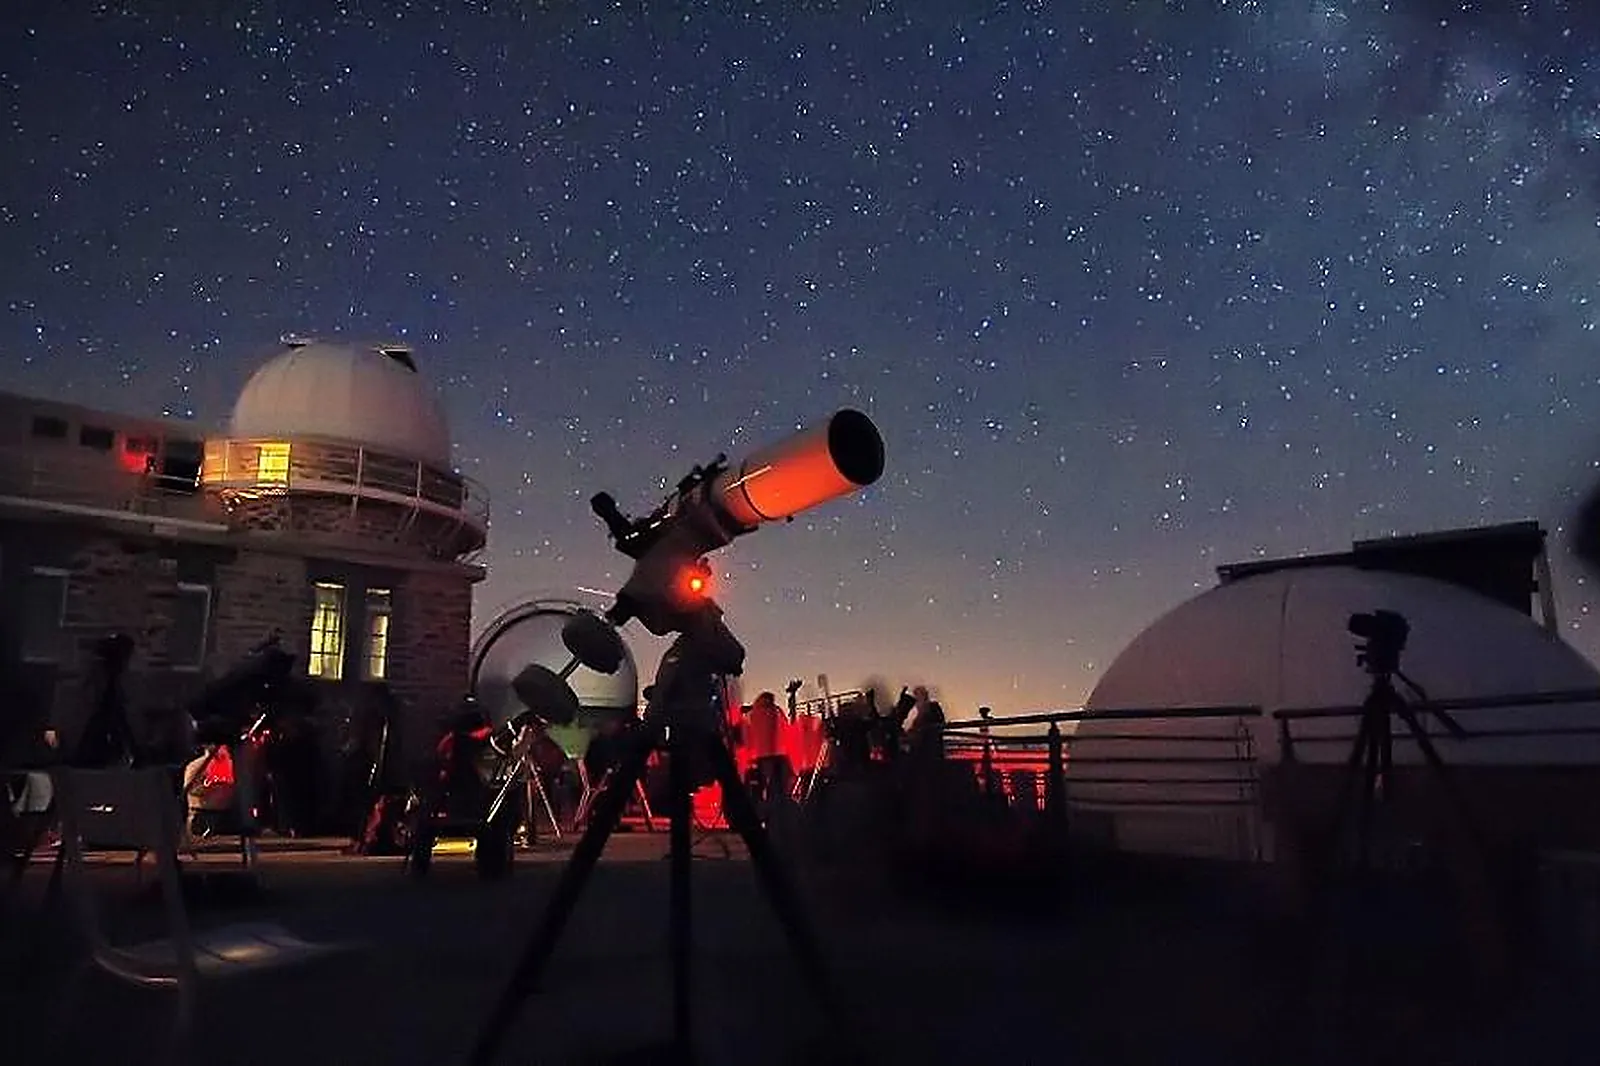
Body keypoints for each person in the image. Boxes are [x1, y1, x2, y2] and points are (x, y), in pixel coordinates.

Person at [744, 691, 790, 816]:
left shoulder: (751, 714)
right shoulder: (776, 711)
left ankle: (763, 812)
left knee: (763, 785)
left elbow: (746, 736)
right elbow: (785, 730)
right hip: (779, 754)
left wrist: (749, 755)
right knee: (779, 786)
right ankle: (779, 811)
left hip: (760, 755)